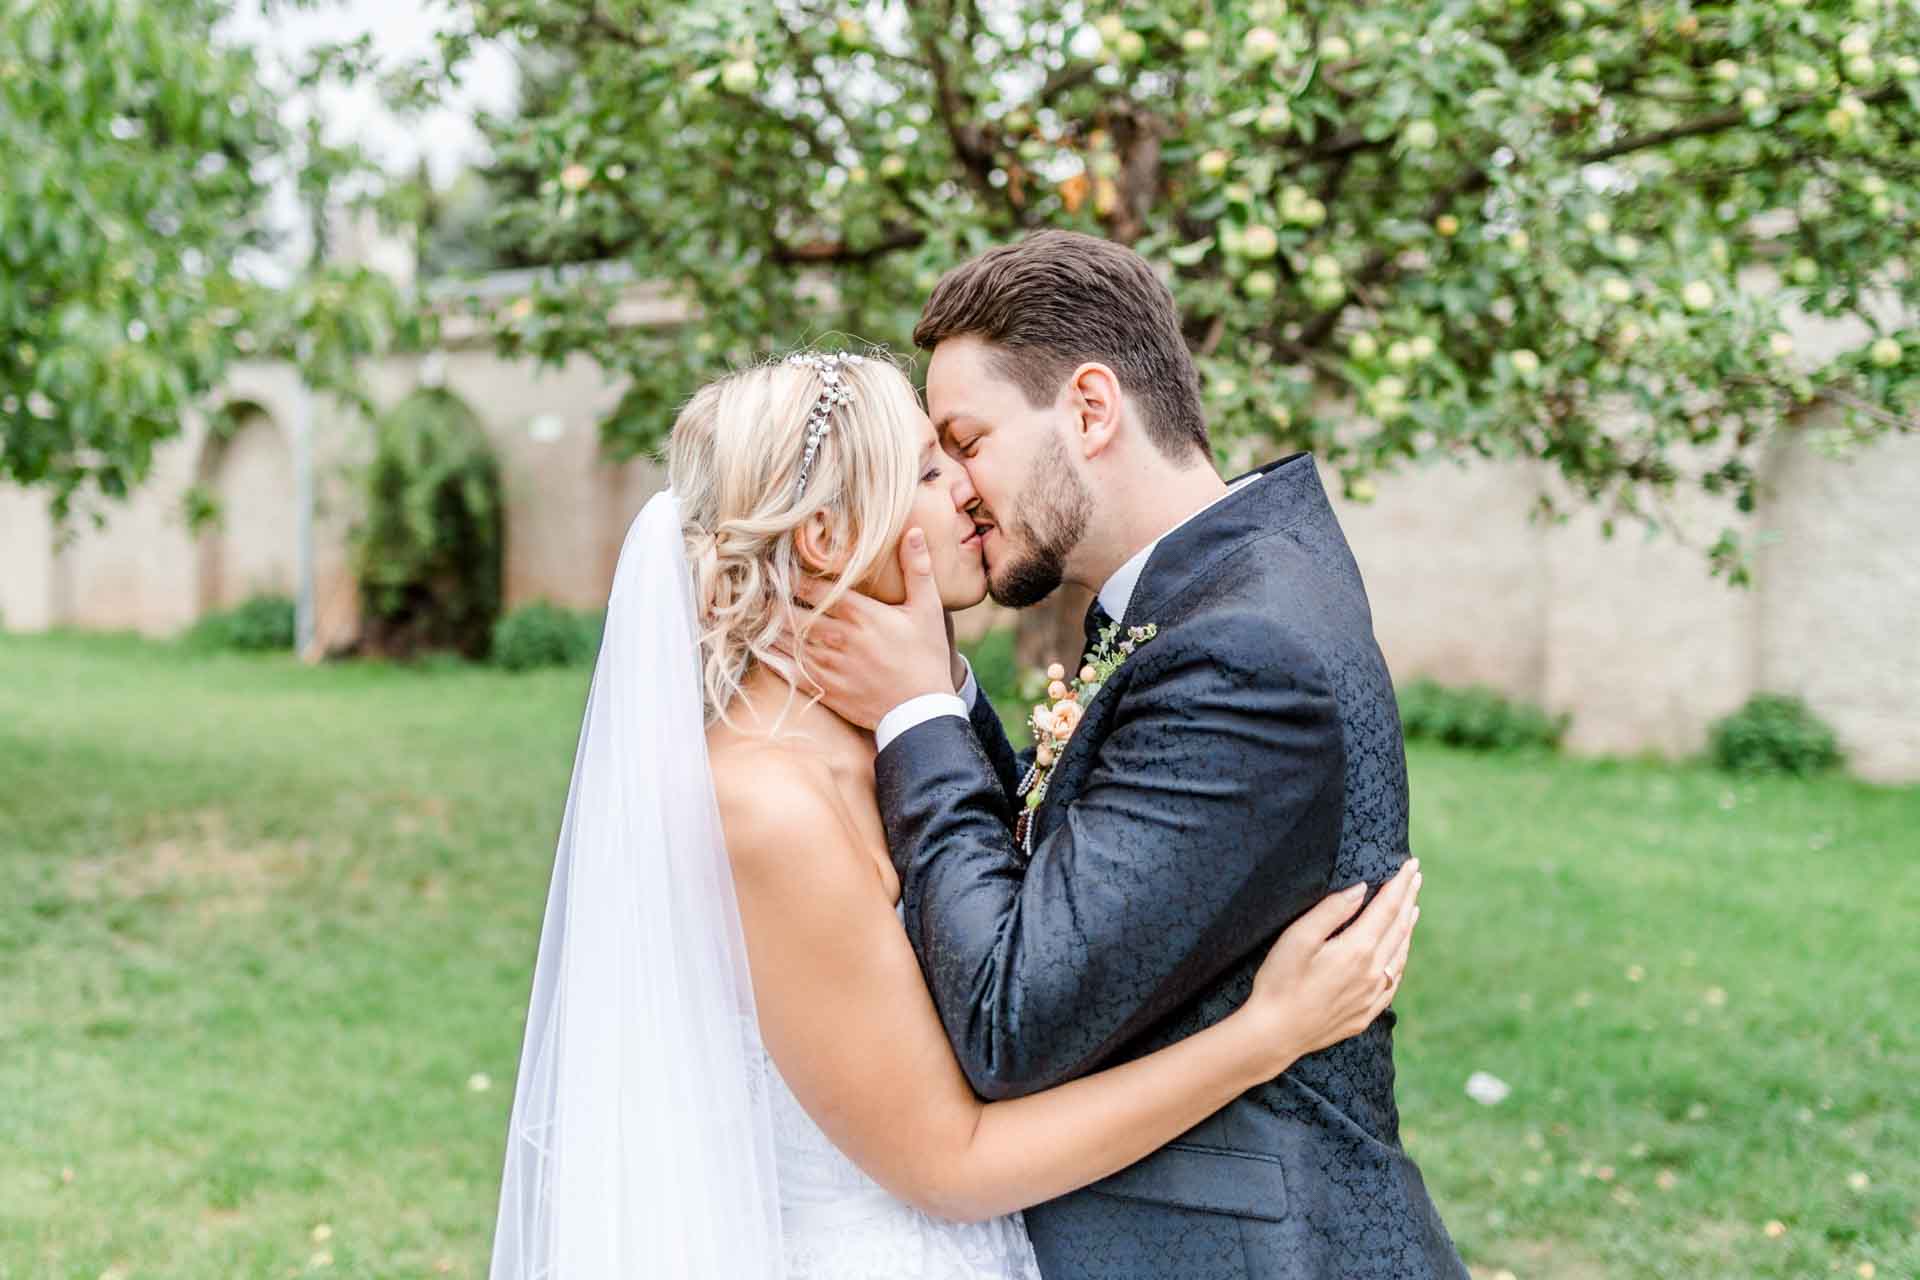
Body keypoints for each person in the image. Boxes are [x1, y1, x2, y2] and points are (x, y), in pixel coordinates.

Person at [489, 348, 1421, 1279]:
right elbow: (952, 1163)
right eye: (932, 470)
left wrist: (927, 697)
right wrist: (1264, 1036)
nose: (971, 494)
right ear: (824, 539)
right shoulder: (765, 805)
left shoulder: (887, 735)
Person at [793, 232, 1468, 1279]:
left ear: (1092, 408)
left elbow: (1012, 1020)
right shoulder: (1206, 588)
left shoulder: (1245, 648)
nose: (960, 491)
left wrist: (918, 711)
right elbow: (1070, 867)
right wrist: (941, 691)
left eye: (966, 441)